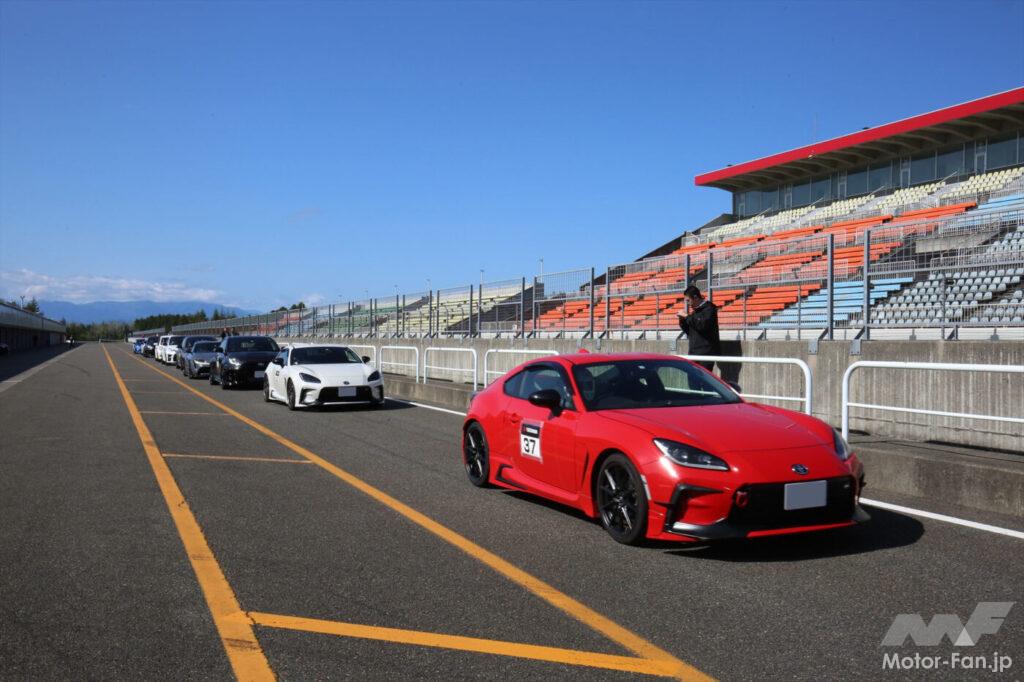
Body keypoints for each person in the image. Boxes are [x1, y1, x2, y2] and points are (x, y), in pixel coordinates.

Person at [677, 284, 720, 372]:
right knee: (692, 382)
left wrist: (686, 316)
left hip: (705, 354)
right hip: (694, 353)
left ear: (696, 297)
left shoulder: (709, 309)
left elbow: (701, 326)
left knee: (703, 382)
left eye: (688, 300)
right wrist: (682, 320)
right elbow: (690, 332)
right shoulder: (695, 312)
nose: (688, 304)